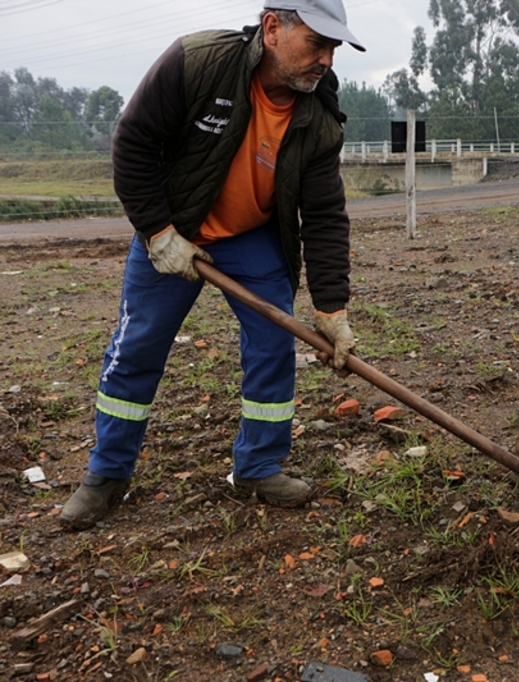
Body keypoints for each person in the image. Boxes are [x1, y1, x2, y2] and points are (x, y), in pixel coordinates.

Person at [60, 0, 363, 530]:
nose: (326, 60)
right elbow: (132, 146)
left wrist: (332, 307)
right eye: (317, 43)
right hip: (174, 229)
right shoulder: (197, 62)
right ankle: (106, 474)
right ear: (273, 28)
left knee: (273, 345)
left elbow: (323, 213)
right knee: (136, 348)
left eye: (334, 48)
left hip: (252, 237)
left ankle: (258, 466)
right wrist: (158, 233)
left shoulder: (318, 110)